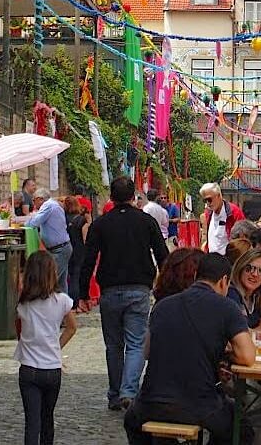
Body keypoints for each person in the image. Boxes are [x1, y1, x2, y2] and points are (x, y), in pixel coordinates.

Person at [123, 253, 255, 445]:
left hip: (151, 402)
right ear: (224, 281)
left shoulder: (163, 306)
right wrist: (225, 353)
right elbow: (247, 356)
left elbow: (147, 352)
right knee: (241, 429)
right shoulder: (227, 307)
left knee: (132, 422)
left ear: (196, 277)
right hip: (199, 404)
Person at [78, 176, 169, 412]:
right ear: (134, 198)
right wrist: (166, 284)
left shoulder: (101, 224)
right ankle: (129, 391)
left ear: (111, 197)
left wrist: (82, 292)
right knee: (136, 343)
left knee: (114, 346)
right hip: (139, 287)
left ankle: (114, 393)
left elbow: (88, 260)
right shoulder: (146, 222)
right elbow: (162, 254)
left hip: (109, 289)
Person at [15, 251, 78, 445]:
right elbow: (72, 327)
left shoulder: (23, 304)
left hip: (29, 368)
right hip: (52, 368)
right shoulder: (62, 301)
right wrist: (56, 347)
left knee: (32, 423)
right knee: (47, 419)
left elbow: (17, 328)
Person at [12, 188, 72, 293]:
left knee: (50, 280)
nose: (33, 204)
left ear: (40, 199)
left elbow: (34, 222)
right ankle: (64, 306)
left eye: (34, 201)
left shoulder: (48, 205)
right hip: (61, 248)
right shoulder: (53, 205)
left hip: (59, 249)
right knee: (61, 282)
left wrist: (21, 224)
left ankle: (52, 306)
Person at [226, 249, 261, 329]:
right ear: (240, 268)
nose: (255, 274)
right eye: (250, 268)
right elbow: (242, 333)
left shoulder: (255, 296)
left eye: (260, 270)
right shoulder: (232, 294)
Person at [200, 182, 246, 254]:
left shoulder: (234, 212)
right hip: (212, 258)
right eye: (205, 201)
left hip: (228, 260)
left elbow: (242, 240)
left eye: (209, 199)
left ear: (218, 196)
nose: (208, 203)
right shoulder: (208, 213)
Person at [64, 195, 88, 307]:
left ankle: (68, 300)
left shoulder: (63, 218)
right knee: (76, 276)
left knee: (67, 275)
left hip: (67, 247)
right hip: (79, 249)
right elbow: (84, 238)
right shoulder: (81, 219)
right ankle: (75, 303)